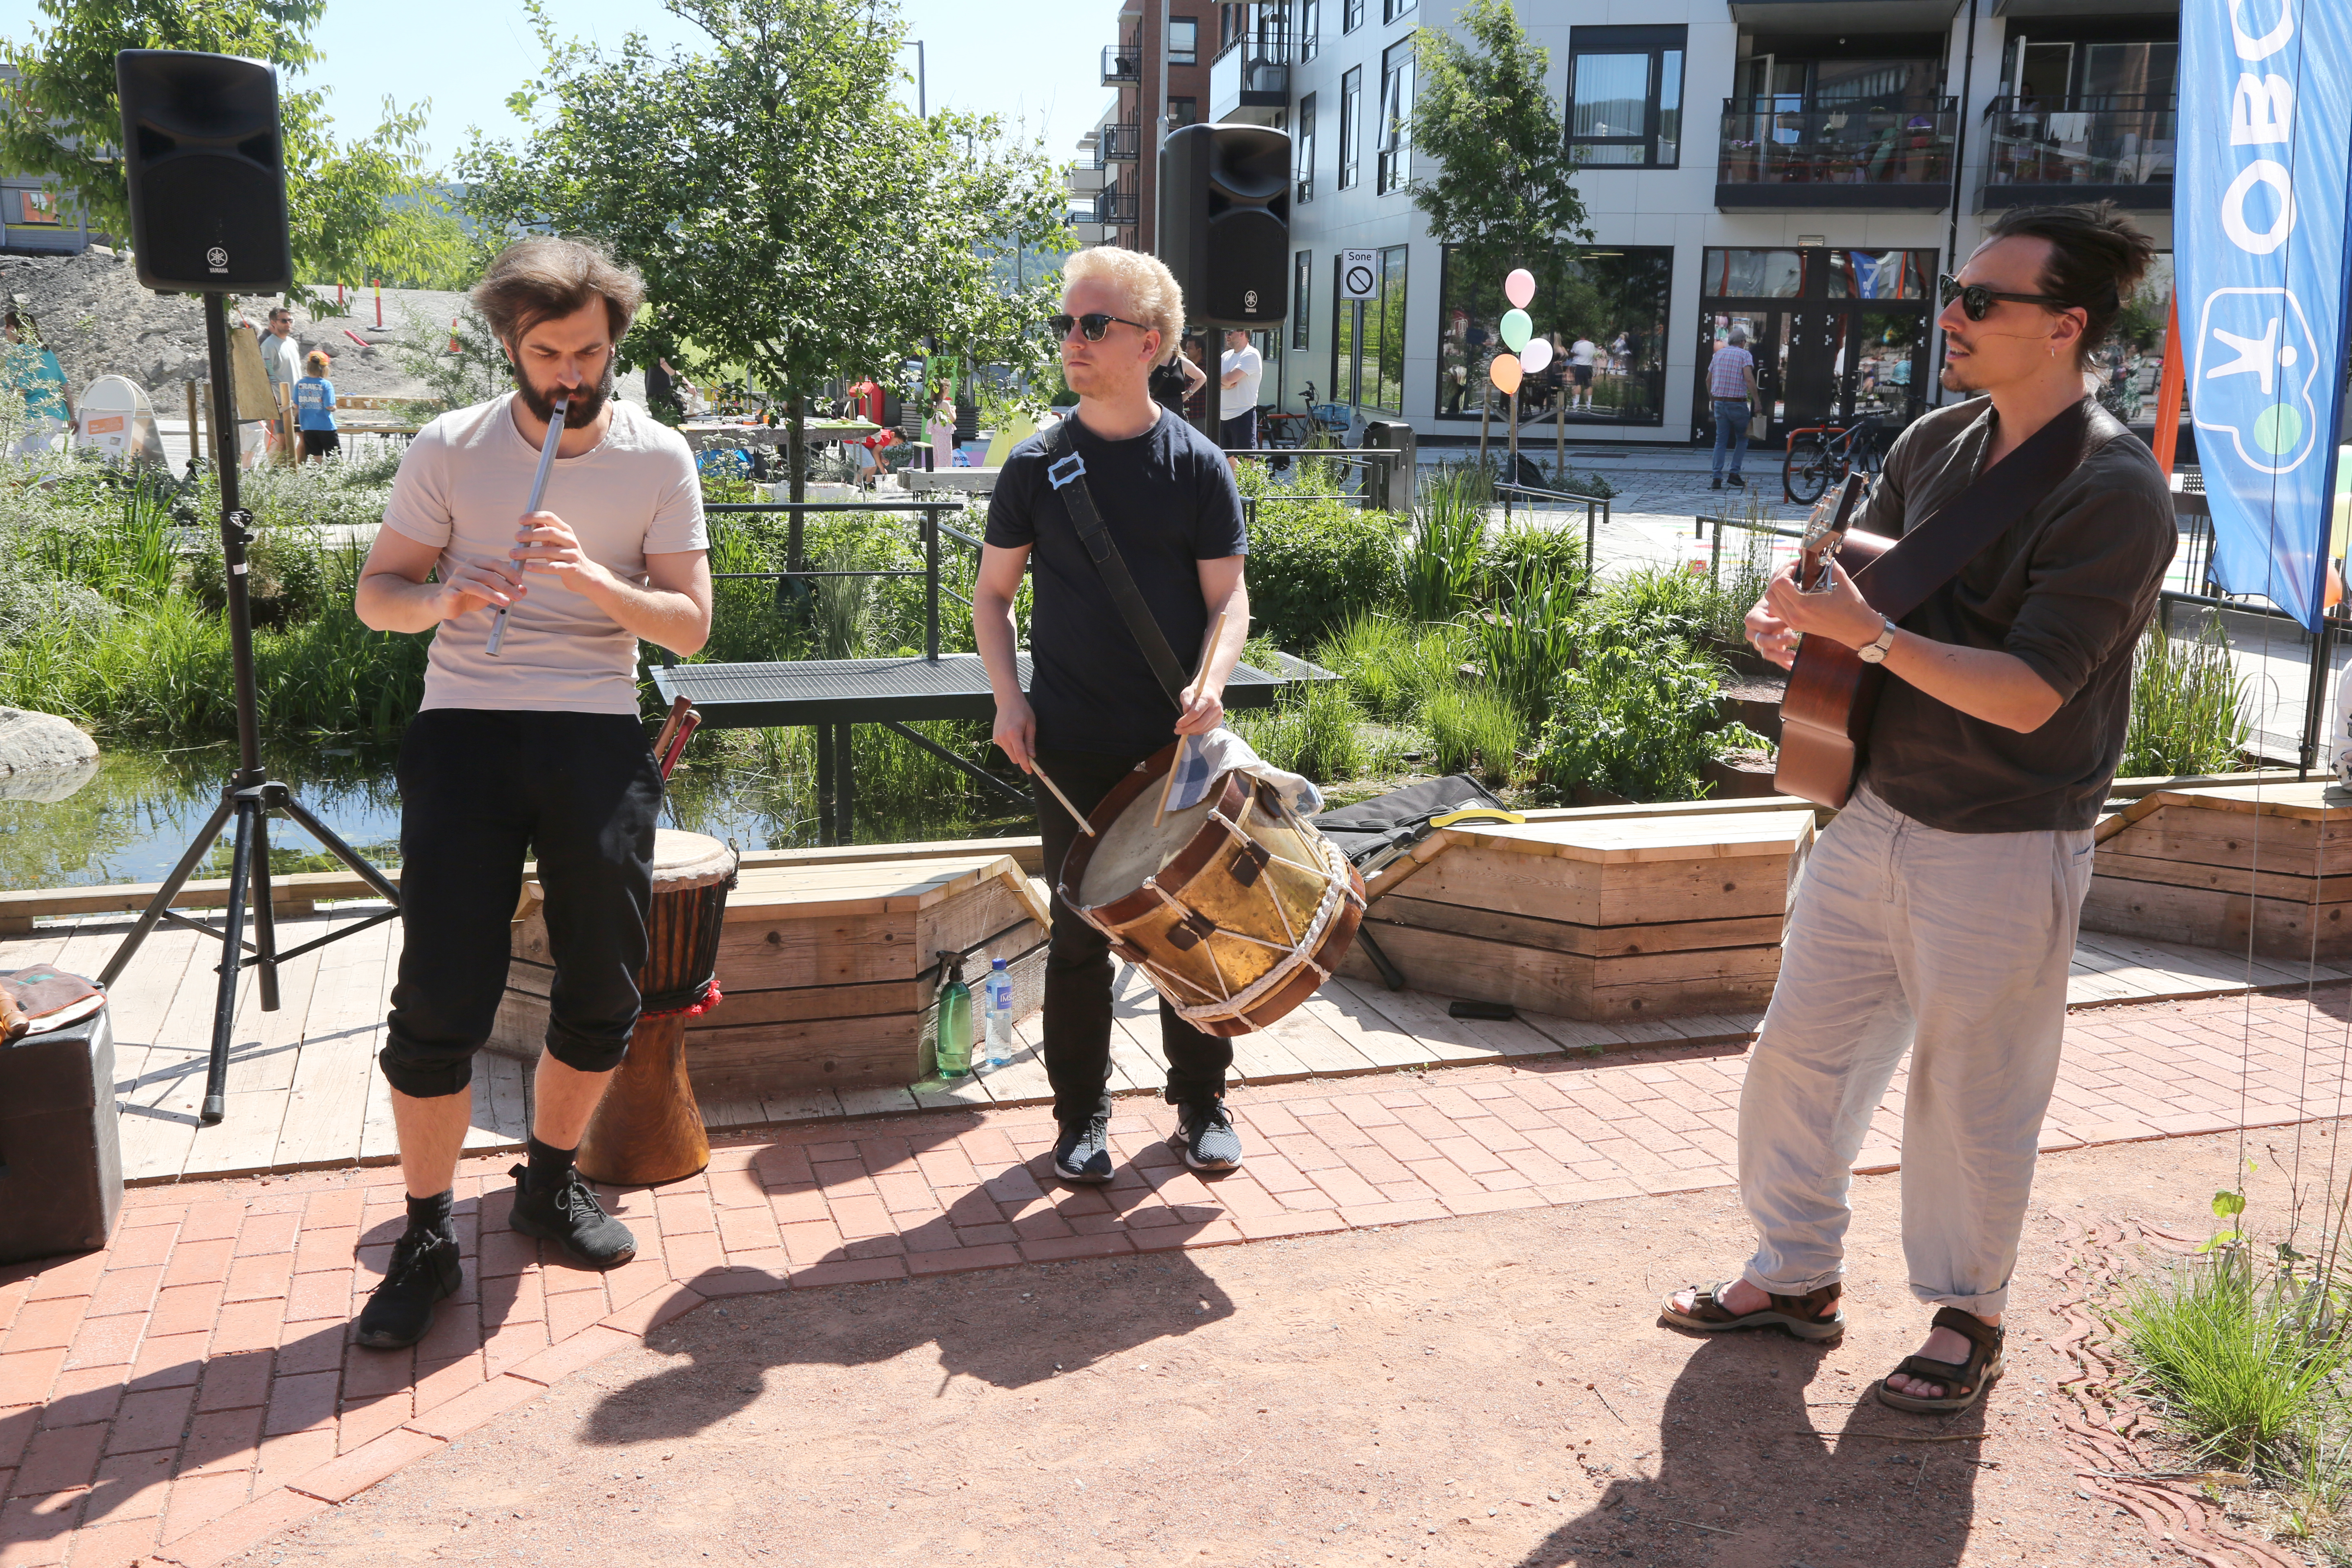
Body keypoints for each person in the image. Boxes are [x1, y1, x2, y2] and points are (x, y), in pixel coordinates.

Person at [1663, 202, 2174, 1416]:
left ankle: (1966, 1312)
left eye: (1980, 302)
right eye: (1954, 291)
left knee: (1969, 1089)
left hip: (2004, 836)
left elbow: (2031, 690)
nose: (1950, 314)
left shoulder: (2114, 490)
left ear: (2062, 326)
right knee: (1798, 1058)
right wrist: (1797, 616)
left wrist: (1871, 639)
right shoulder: (1937, 438)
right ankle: (1794, 1275)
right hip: (1872, 807)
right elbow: (1862, 586)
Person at [348, 236, 713, 1350]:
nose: (569, 375)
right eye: (548, 353)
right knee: (439, 1001)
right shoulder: (451, 447)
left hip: (594, 730)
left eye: (589, 353)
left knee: (604, 991)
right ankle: (425, 1232)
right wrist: (447, 598)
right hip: (464, 727)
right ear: (511, 344)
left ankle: (548, 1182)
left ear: (615, 345)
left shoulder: (657, 456)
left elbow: (690, 627)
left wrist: (590, 578)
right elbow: (377, 595)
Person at [974, 245, 1252, 1184]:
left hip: (1176, 748)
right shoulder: (1033, 466)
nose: (1072, 340)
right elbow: (991, 598)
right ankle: (1080, 1118)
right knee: (1079, 936)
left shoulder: (1198, 467)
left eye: (1093, 324)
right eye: (1066, 323)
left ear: (1149, 342)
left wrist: (1213, 679)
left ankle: (1200, 1101)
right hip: (1071, 743)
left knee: (1190, 925)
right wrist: (1008, 699)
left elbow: (1229, 600)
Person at [1705, 326, 1762, 489]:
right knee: (1743, 438)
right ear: (1743, 342)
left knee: (1720, 441)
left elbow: (1708, 380)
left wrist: (1712, 399)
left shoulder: (1718, 355)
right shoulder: (1745, 355)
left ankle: (1716, 478)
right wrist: (1757, 401)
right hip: (1737, 403)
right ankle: (1734, 474)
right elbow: (1749, 379)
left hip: (1720, 403)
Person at [1217, 327, 1263, 459]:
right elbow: (1211, 381)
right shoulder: (1225, 356)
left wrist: (1224, 382)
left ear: (1243, 333)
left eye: (1230, 332)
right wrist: (1226, 384)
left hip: (1243, 414)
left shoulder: (1251, 354)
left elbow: (1228, 379)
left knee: (1247, 461)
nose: (1227, 336)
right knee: (1226, 460)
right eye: (1226, 332)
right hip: (1223, 416)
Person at [293, 350, 339, 463]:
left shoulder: (300, 384)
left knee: (316, 455)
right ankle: (337, 472)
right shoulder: (326, 385)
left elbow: (296, 405)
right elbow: (329, 406)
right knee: (335, 455)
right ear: (324, 369)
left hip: (308, 426)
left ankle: (317, 472)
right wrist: (334, 408)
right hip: (326, 426)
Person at [1568, 334, 1598, 412]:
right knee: (1589, 385)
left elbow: (1572, 353)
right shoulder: (1592, 345)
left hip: (1579, 366)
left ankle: (1576, 405)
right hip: (1589, 366)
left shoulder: (1577, 344)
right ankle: (1589, 405)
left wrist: (1573, 354)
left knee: (1578, 384)